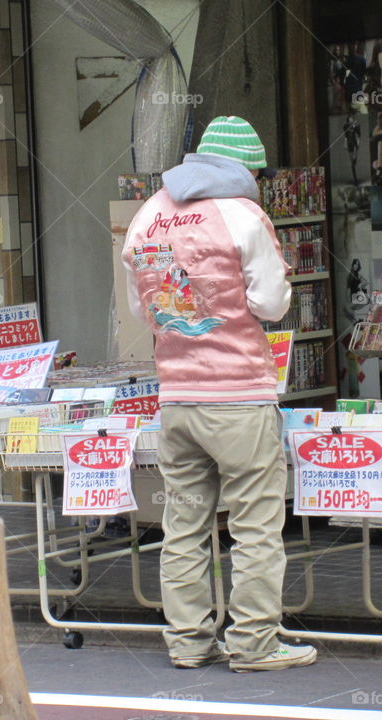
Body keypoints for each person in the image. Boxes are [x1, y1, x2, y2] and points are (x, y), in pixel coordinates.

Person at [122, 116, 317, 673]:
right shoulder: (244, 215)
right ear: (243, 168)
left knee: (182, 522)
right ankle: (254, 644)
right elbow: (273, 304)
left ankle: (188, 640)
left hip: (176, 399)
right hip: (239, 397)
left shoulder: (148, 215)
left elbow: (144, 308)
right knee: (255, 525)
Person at [344, 110, 362, 184]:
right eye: (350, 118)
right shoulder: (345, 126)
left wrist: (358, 143)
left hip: (354, 143)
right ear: (348, 119)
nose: (351, 119)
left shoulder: (356, 126)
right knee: (352, 163)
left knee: (355, 159)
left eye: (352, 118)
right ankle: (355, 180)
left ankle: (354, 164)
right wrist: (344, 144)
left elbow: (359, 136)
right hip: (349, 144)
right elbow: (345, 136)